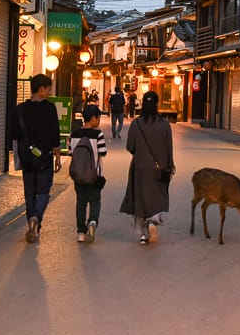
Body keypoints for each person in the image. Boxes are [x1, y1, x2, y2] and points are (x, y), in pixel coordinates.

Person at [120, 90, 174, 245]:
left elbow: (130, 146)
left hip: (140, 167)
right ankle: (152, 221)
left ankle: (143, 234)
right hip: (160, 167)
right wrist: (169, 166)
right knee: (157, 196)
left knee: (140, 197)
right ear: (156, 104)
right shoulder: (165, 124)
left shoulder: (137, 123)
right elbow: (169, 148)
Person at [13, 74, 62, 244]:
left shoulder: (20, 109)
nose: (49, 92)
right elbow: (55, 134)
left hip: (27, 159)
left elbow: (14, 135)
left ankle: (31, 223)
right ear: (41, 89)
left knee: (29, 194)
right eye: (48, 89)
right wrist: (57, 156)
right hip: (44, 159)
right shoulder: (49, 108)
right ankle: (36, 218)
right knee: (43, 192)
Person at [69, 104, 107, 243]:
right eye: (98, 117)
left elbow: (70, 152)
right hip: (94, 176)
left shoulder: (74, 134)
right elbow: (103, 153)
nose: (99, 120)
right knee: (95, 201)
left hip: (78, 175)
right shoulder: (98, 135)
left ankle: (81, 232)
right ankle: (92, 222)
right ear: (93, 118)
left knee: (81, 202)